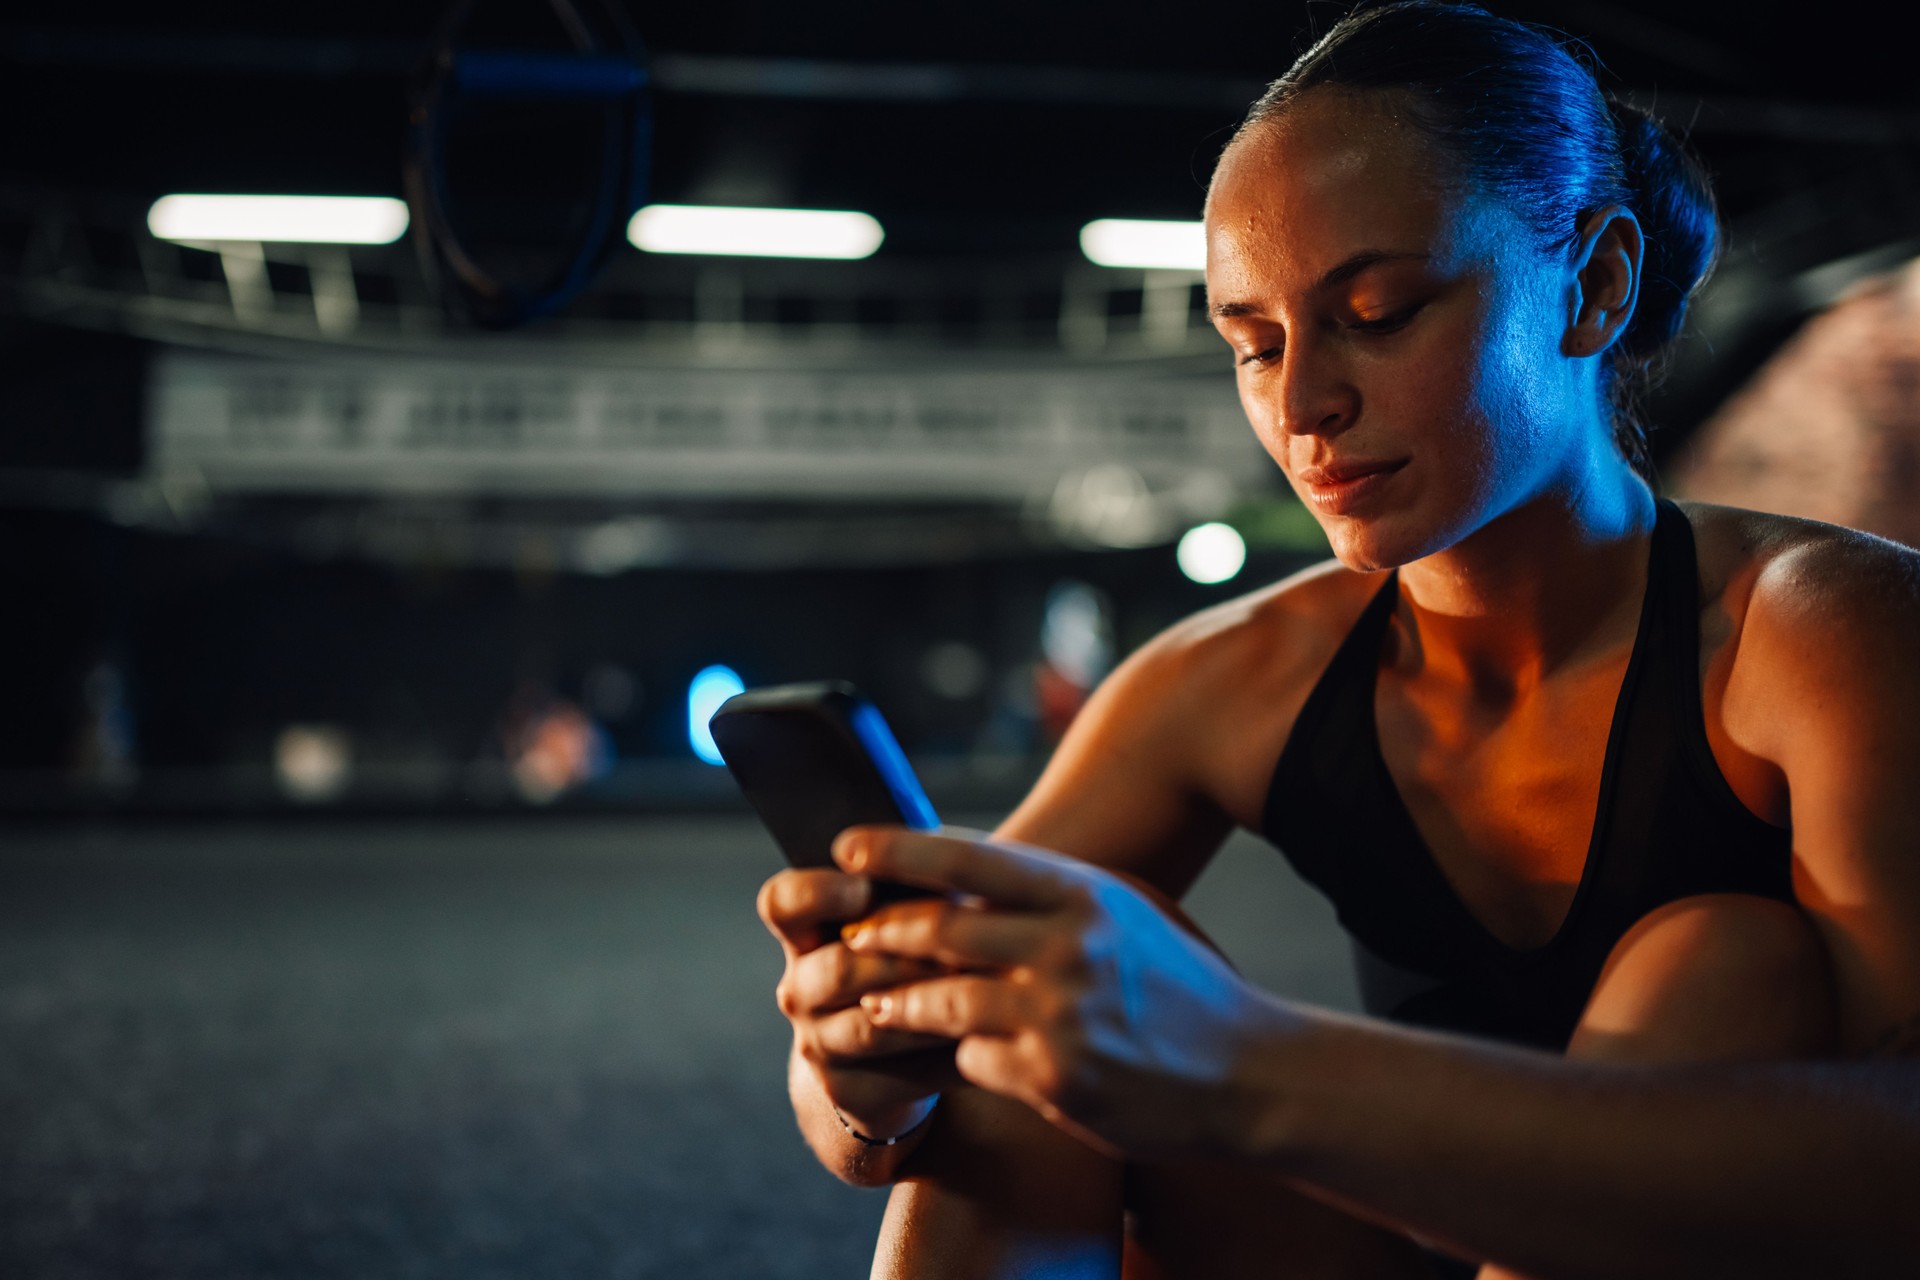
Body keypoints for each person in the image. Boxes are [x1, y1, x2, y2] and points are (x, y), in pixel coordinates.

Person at [755, 4, 1920, 1276]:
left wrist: (1244, 1064)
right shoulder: (1231, 676)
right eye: (1255, 345)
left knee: (1720, 963)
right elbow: (872, 1117)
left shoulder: (1822, 632)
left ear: (1592, 286)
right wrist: (869, 1069)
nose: (1305, 403)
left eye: (1379, 310)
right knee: (1036, 979)